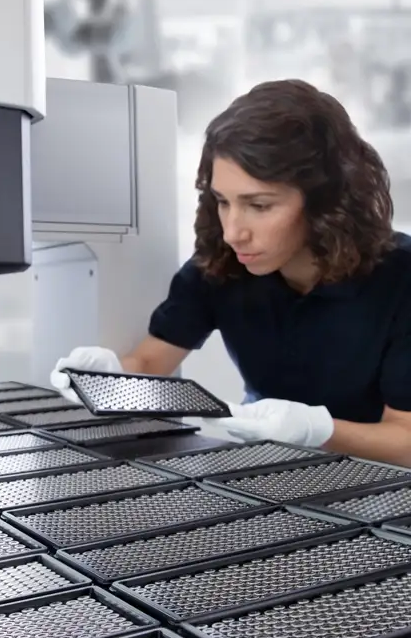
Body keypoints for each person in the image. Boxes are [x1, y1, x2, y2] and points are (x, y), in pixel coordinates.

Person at [51, 79, 411, 468]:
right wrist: (108, 377)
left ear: (326, 202)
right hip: (271, 470)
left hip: (381, 485)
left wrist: (315, 430)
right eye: (223, 202)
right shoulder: (222, 265)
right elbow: (150, 363)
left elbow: (405, 440)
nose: (233, 231)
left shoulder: (401, 277)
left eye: (259, 205)